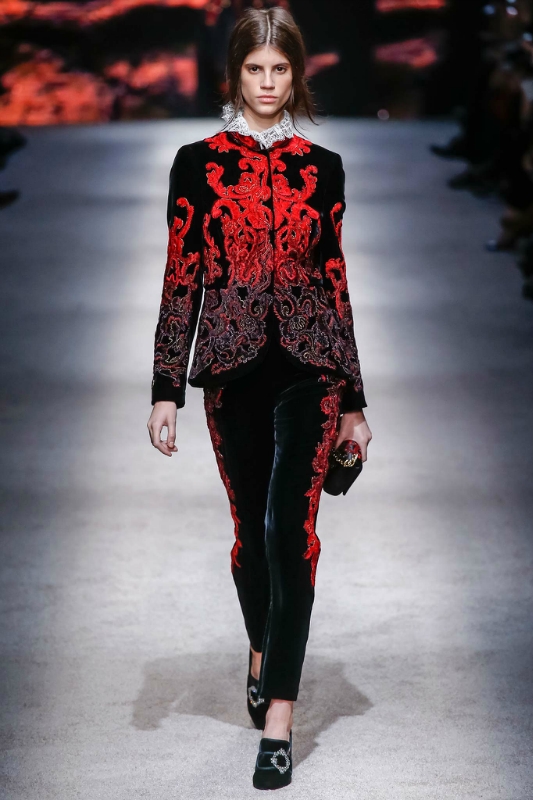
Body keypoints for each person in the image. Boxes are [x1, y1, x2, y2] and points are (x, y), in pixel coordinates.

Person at [147, 6, 372, 790]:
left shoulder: (324, 166)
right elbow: (181, 276)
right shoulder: (196, 163)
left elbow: (335, 282)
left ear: (296, 74)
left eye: (280, 70)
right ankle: (260, 646)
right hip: (230, 369)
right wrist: (165, 389)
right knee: (249, 536)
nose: (268, 83)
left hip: (312, 368)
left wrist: (354, 400)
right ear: (234, 73)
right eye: (255, 69)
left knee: (290, 533)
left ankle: (279, 714)